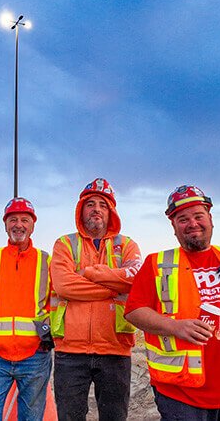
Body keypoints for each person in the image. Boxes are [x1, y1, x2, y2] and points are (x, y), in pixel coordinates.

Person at [125, 185, 220, 420]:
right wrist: (174, 326)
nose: (192, 223)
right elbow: (134, 311)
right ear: (174, 227)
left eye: (199, 216)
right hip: (182, 395)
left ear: (210, 219)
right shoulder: (157, 263)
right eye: (183, 219)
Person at [49, 178, 142, 421]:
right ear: (81, 210)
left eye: (103, 204)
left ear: (111, 212)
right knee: (70, 416)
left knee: (114, 416)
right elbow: (64, 285)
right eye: (90, 204)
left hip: (115, 349)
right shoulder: (64, 244)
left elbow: (136, 281)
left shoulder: (128, 245)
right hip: (70, 351)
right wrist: (114, 286)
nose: (97, 209)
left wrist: (91, 273)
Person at [0, 197, 53, 420]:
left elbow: (55, 306)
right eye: (13, 219)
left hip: (35, 357)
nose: (19, 224)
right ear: (5, 224)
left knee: (31, 417)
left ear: (33, 224)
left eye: (25, 220)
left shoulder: (46, 261)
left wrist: (47, 339)